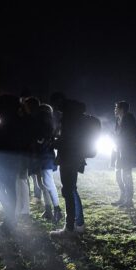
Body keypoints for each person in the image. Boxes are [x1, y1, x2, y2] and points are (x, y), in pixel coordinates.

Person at [50, 99, 87, 238]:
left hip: (68, 159)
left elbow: (66, 141)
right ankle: (78, 224)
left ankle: (69, 227)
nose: (57, 111)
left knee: (68, 191)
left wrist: (53, 142)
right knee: (71, 189)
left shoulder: (69, 120)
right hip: (75, 159)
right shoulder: (77, 119)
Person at [0, 94, 26, 228]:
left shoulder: (7, 120)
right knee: (9, 188)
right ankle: (11, 218)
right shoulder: (17, 119)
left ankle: (10, 218)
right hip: (12, 159)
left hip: (4, 160)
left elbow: (2, 141)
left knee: (3, 188)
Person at [35, 104, 62, 223]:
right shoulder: (45, 125)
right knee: (42, 183)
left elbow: (42, 141)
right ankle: (48, 209)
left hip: (45, 156)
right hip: (41, 156)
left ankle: (57, 210)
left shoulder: (47, 125)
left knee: (47, 182)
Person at [111, 101, 136, 208]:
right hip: (118, 150)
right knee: (118, 175)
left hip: (126, 151)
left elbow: (129, 135)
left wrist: (117, 139)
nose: (115, 109)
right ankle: (123, 198)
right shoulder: (118, 119)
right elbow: (117, 134)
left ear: (122, 109)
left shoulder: (129, 119)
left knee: (126, 175)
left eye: (116, 107)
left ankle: (129, 200)